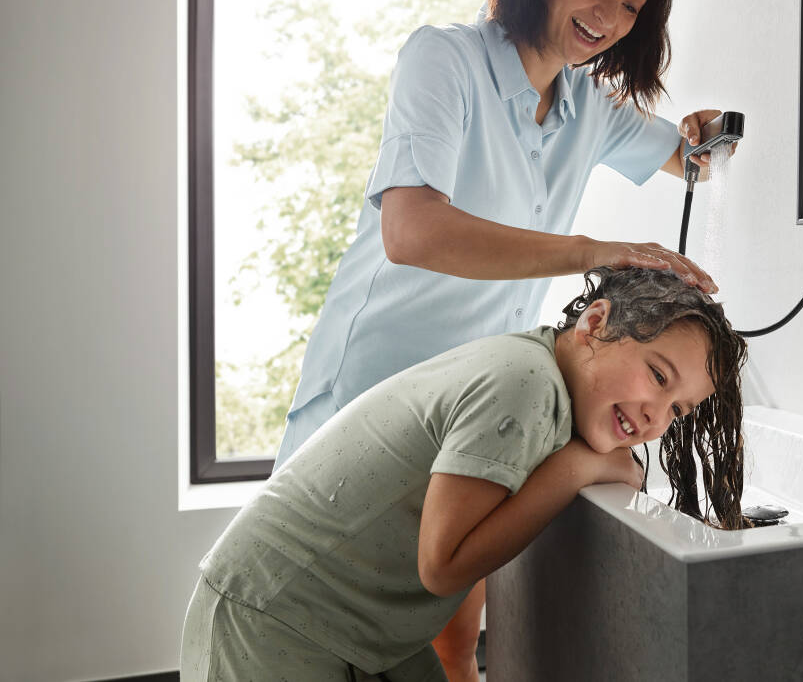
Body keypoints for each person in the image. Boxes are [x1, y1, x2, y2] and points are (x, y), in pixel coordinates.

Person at [271, 0, 732, 675]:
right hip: (378, 388)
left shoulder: (589, 106)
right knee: (329, 615)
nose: (610, 15)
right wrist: (593, 249)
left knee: (451, 628)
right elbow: (412, 231)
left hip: (481, 402)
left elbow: (697, 162)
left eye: (632, 4)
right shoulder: (445, 59)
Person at [182, 266, 749, 680]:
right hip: (270, 613)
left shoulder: (541, 375)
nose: (656, 416)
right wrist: (576, 468)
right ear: (594, 323)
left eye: (678, 410)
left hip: (354, 626)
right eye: (657, 375)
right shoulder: (523, 385)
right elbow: (442, 564)